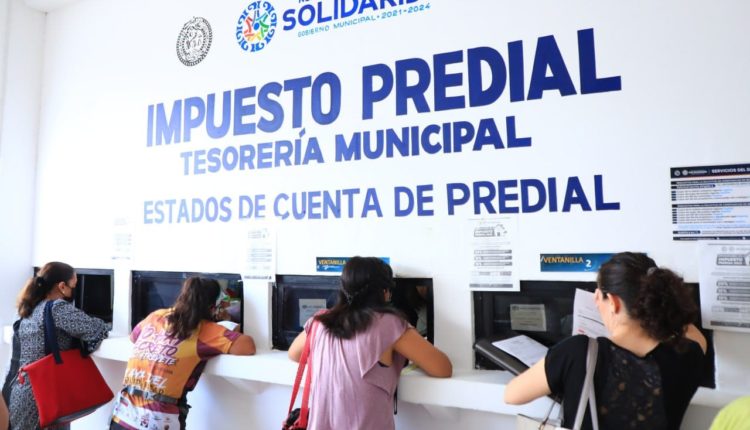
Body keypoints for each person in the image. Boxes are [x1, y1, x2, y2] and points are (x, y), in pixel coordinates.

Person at [504, 252, 707, 430]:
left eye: (599, 295)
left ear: (614, 303)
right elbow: (686, 327)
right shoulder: (688, 354)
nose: (595, 300)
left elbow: (512, 394)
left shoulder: (577, 352)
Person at [288, 256, 452, 430]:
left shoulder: (319, 322)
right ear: (385, 292)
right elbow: (443, 368)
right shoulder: (389, 324)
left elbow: (294, 354)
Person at [110, 276, 256, 430]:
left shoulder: (156, 316)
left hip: (123, 414)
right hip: (158, 419)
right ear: (212, 306)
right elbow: (247, 346)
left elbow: (134, 337)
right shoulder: (205, 330)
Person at [4, 262, 109, 430]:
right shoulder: (57, 308)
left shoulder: (28, 308)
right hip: (43, 397)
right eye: (73, 286)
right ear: (62, 286)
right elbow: (94, 329)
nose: (74, 291)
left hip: (20, 391)